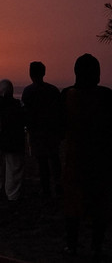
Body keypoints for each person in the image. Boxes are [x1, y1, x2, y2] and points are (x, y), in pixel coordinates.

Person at [59, 54, 112, 259]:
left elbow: (60, 127)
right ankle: (96, 246)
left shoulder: (67, 95)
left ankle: (71, 246)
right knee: (100, 206)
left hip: (76, 157)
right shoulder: (107, 96)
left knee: (73, 205)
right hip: (102, 158)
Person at [21, 61, 62, 198]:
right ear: (44, 73)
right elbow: (59, 112)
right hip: (52, 131)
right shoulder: (53, 90)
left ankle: (46, 189)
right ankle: (58, 186)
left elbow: (26, 113)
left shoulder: (28, 91)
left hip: (37, 131)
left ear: (30, 74)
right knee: (55, 159)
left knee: (42, 161)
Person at [0, 79, 26, 202]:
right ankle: (12, 194)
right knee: (13, 167)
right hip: (13, 139)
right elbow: (22, 120)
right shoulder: (17, 104)